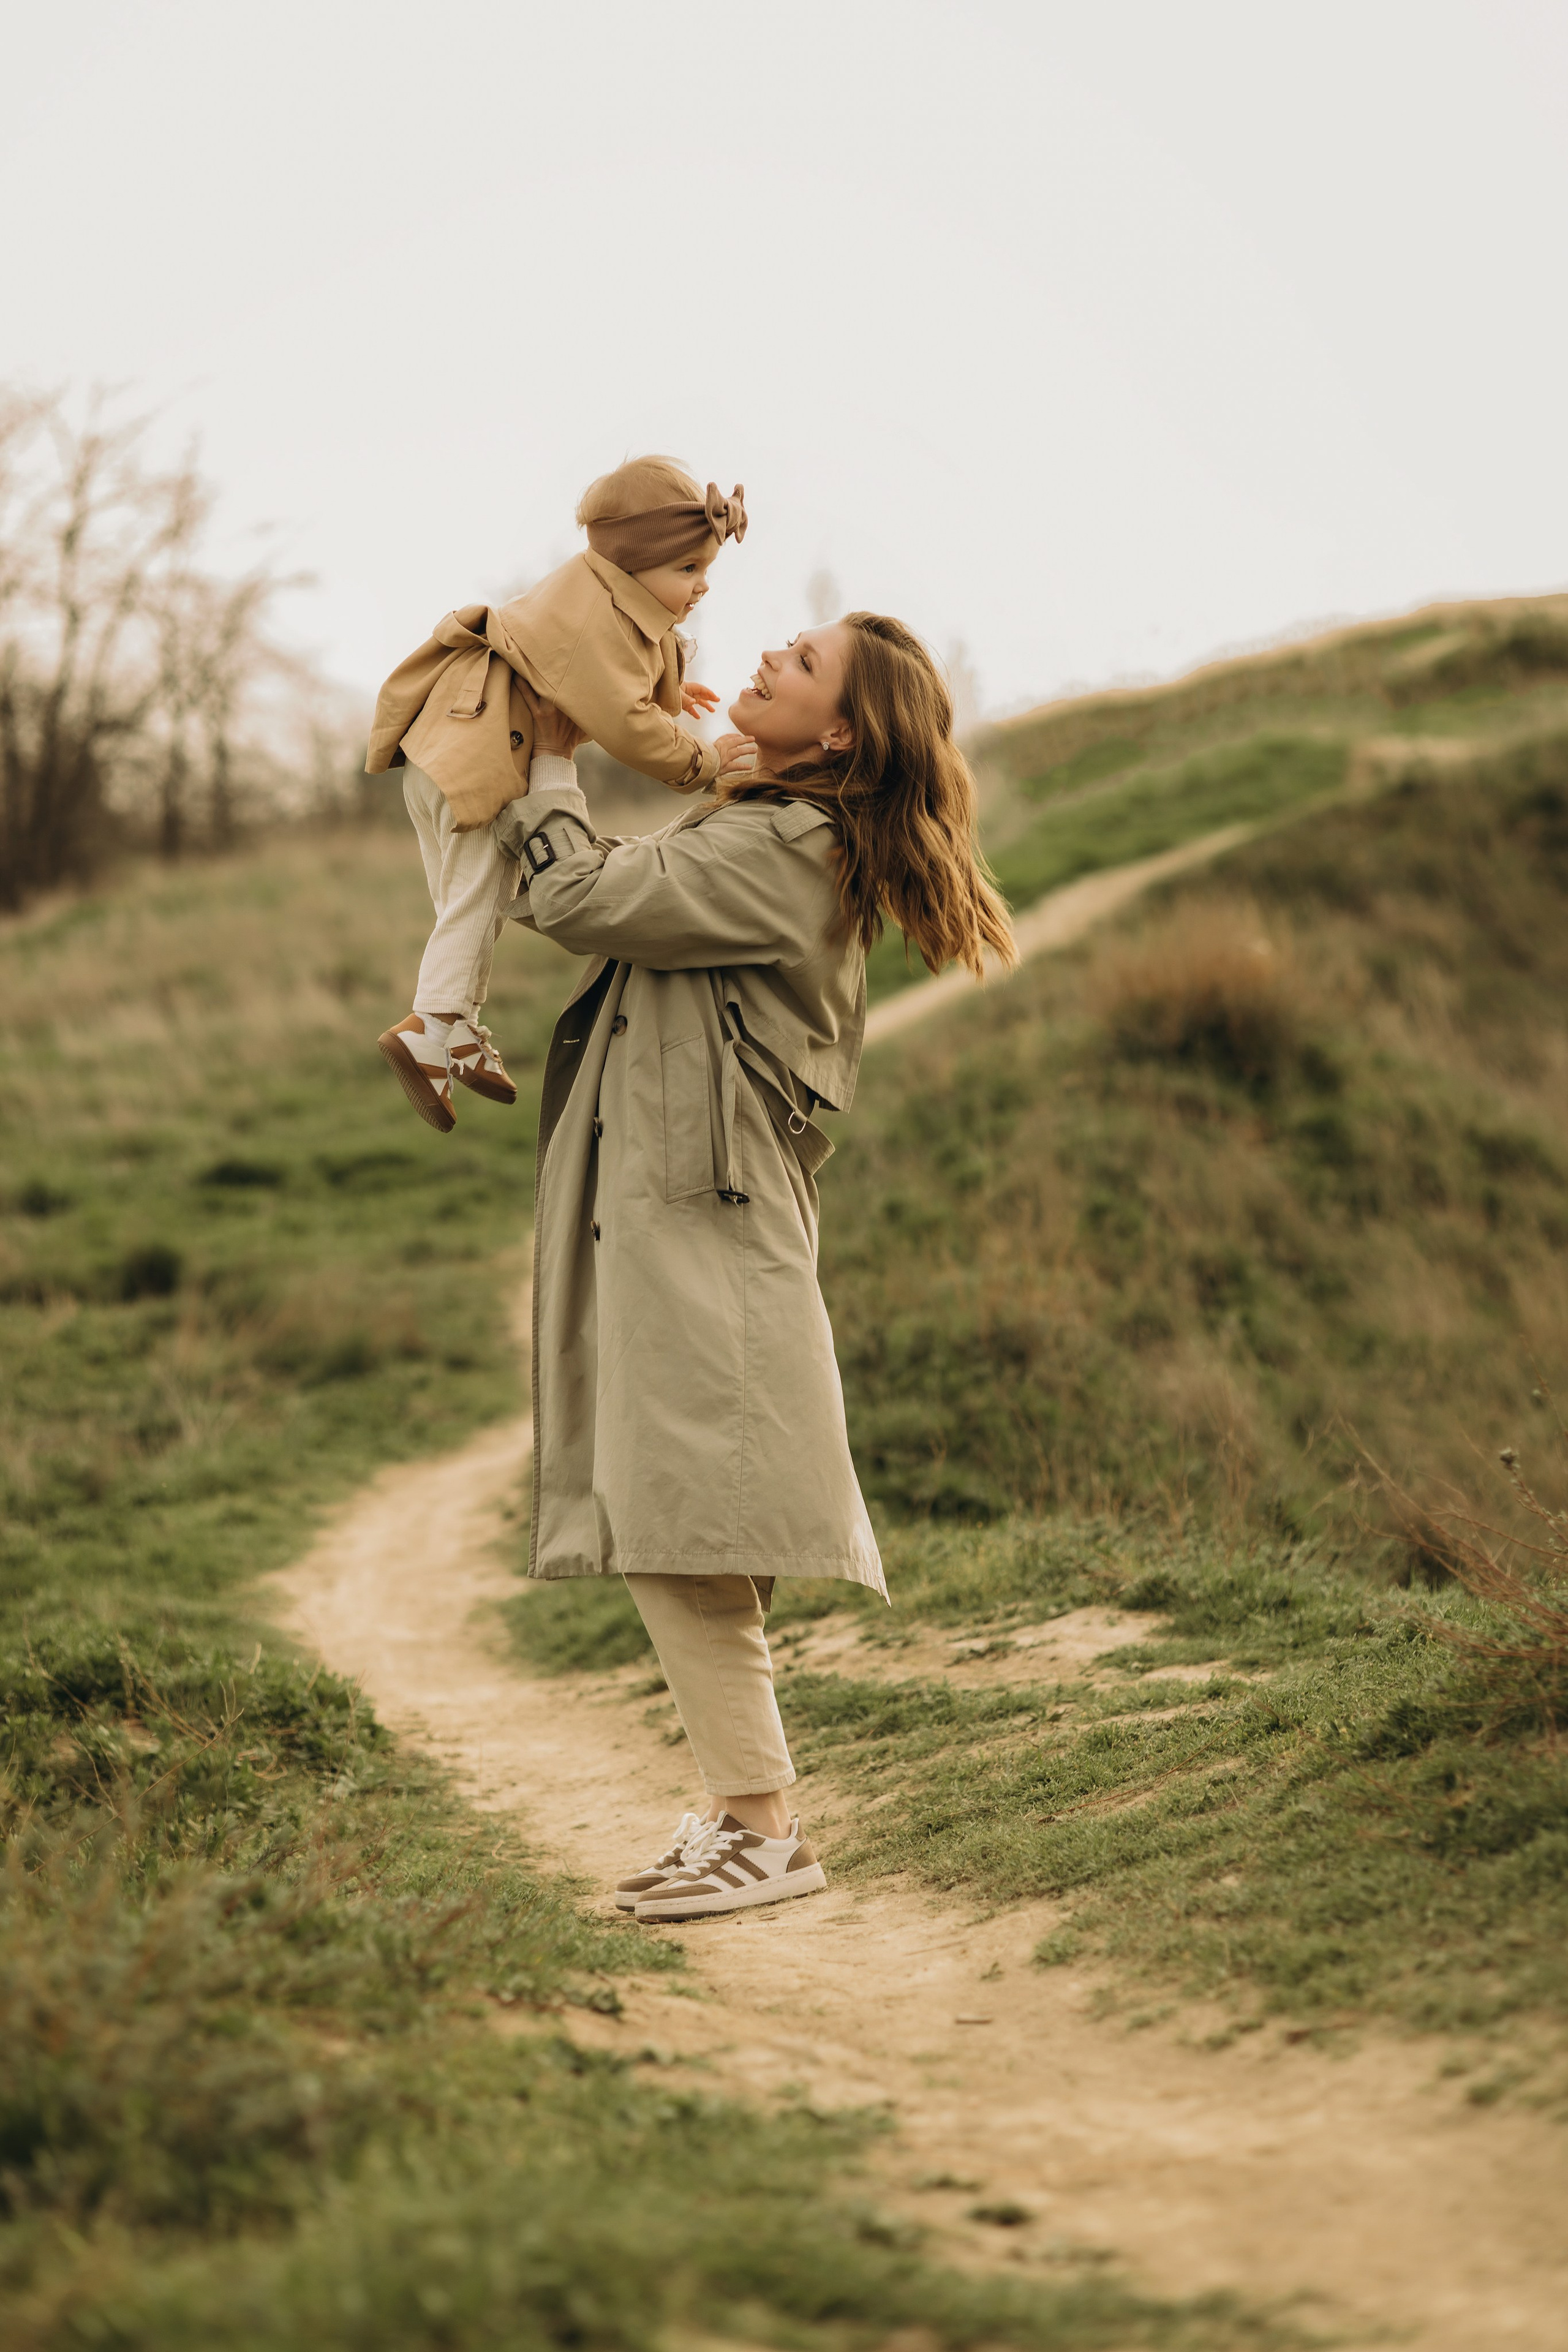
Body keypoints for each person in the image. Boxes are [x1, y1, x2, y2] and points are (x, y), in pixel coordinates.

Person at [505, 611, 1017, 1922]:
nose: (770, 661)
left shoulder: (786, 848)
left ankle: (761, 1827)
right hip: (688, 1216)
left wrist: (553, 762)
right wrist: (706, 757)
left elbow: (574, 897)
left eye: (799, 666)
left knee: (684, 1518)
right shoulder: (770, 827)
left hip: (708, 1227)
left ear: (840, 731)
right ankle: (747, 1815)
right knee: (678, 1518)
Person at [363, 457, 747, 1132]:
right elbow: (623, 723)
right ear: (634, 562)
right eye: (687, 570)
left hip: (446, 746)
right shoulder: (600, 620)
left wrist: (667, 692)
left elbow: (595, 682)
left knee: (472, 899)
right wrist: (704, 762)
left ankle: (457, 1024)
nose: (702, 587)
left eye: (705, 570)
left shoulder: (590, 593)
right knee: (480, 900)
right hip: (484, 758)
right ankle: (431, 1028)